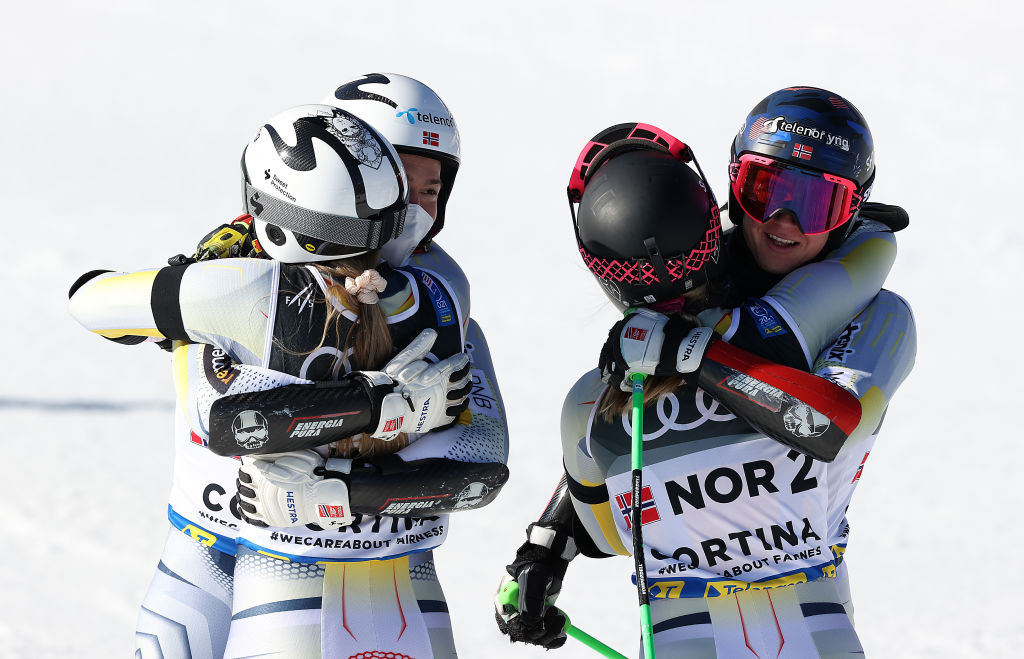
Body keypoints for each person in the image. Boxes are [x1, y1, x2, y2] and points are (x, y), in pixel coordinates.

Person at [70, 102, 506, 658]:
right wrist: (384, 415)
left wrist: (179, 288)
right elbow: (479, 468)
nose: (415, 208)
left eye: (431, 188)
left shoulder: (237, 288)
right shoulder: (443, 298)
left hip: (265, 564)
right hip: (280, 560)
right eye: (400, 181)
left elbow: (230, 419)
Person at [495, 91, 915, 657]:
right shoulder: (682, 274)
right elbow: (605, 454)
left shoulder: (877, 312)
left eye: (817, 204)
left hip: (807, 611)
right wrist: (545, 547)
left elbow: (829, 426)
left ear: (853, 211)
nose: (783, 221)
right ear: (730, 185)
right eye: (764, 190)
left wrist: (696, 355)